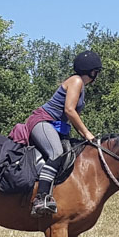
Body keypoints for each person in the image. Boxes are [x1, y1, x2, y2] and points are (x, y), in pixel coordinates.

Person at [9, 50, 101, 216]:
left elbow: (71, 115)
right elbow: (70, 110)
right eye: (97, 72)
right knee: (56, 152)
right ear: (92, 71)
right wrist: (88, 134)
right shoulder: (76, 81)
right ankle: (41, 199)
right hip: (43, 121)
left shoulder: (81, 86)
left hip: (55, 126)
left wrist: (83, 136)